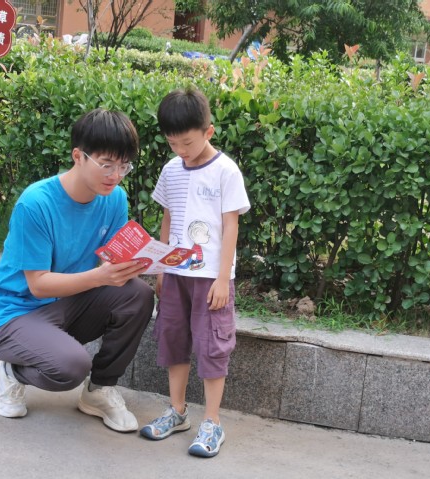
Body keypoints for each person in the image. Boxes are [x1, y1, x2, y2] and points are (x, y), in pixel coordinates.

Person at [0, 108, 155, 432]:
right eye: (106, 164)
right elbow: (38, 285)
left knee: (138, 295)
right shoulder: (36, 203)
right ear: (78, 156)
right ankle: (12, 372)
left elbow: (112, 261)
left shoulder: (115, 199)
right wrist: (101, 276)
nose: (115, 175)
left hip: (67, 306)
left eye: (123, 166)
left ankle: (99, 390)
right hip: (13, 314)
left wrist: (140, 264)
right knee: (71, 367)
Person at [139, 87, 250, 457]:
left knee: (212, 346)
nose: (180, 150)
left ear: (208, 131)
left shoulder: (225, 171)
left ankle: (213, 422)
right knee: (173, 338)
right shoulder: (171, 170)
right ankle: (178, 411)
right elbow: (167, 219)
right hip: (175, 274)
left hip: (211, 278)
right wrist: (160, 267)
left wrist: (223, 277)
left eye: (187, 142)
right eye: (172, 143)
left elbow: (231, 226)